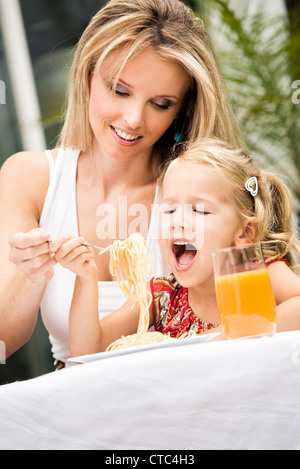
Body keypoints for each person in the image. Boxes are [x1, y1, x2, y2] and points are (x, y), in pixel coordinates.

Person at [0, 0, 245, 367]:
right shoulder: (30, 177)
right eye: (119, 90)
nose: (133, 120)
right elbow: (5, 339)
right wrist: (30, 275)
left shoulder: (204, 194)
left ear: (183, 110)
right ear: (87, 76)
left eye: (160, 104)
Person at [58, 138, 300, 356]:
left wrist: (228, 336)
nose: (178, 222)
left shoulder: (258, 274)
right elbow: (87, 348)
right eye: (169, 209)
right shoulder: (159, 295)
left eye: (200, 210)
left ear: (245, 231)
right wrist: (85, 277)